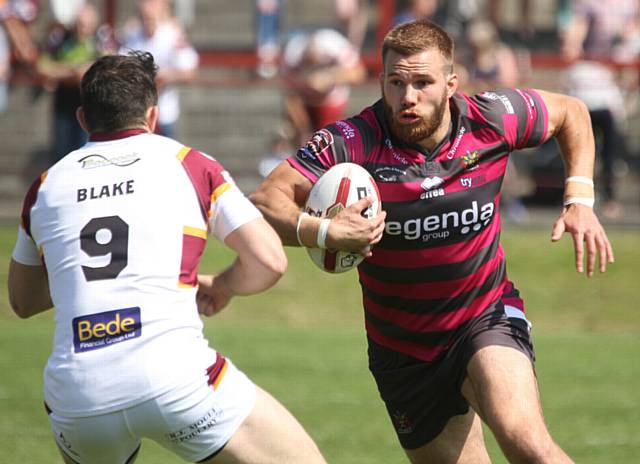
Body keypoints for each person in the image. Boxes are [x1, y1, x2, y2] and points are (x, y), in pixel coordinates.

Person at [251, 19, 614, 463]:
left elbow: (571, 112)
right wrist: (324, 231)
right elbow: (266, 199)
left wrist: (579, 197)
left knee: (528, 444)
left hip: (484, 315)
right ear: (381, 82)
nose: (408, 97)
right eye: (396, 82)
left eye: (422, 83)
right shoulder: (353, 140)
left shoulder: (493, 118)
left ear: (450, 84)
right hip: (402, 349)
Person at [8, 51, 326, 464]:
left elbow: (22, 300)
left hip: (78, 395)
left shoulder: (46, 186)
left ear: (83, 119)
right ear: (153, 116)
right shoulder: (189, 164)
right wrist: (223, 286)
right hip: (174, 379)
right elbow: (269, 260)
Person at [560, 0, 640, 219]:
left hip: (613, 86)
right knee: (582, 147)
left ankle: (609, 198)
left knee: (610, 151)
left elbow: (632, 36)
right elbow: (572, 43)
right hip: (590, 83)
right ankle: (578, 198)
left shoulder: (629, 5)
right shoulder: (588, 5)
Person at [36, 2, 115, 164]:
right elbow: (42, 67)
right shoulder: (62, 38)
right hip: (64, 107)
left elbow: (109, 63)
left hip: (91, 108)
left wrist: (83, 70)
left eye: (86, 25)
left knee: (87, 154)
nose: (82, 29)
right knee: (62, 154)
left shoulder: (101, 38)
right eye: (79, 24)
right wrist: (72, 72)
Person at [119, 0, 198, 138]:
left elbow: (189, 71)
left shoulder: (171, 35)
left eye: (150, 17)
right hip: (136, 114)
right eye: (144, 17)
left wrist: (167, 76)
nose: (147, 21)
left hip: (165, 112)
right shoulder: (132, 36)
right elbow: (119, 67)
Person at [281, 27, 366, 147]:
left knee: (330, 145)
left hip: (333, 103)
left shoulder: (335, 45)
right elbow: (290, 96)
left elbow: (359, 73)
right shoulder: (293, 53)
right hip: (304, 102)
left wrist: (330, 77)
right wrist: (302, 128)